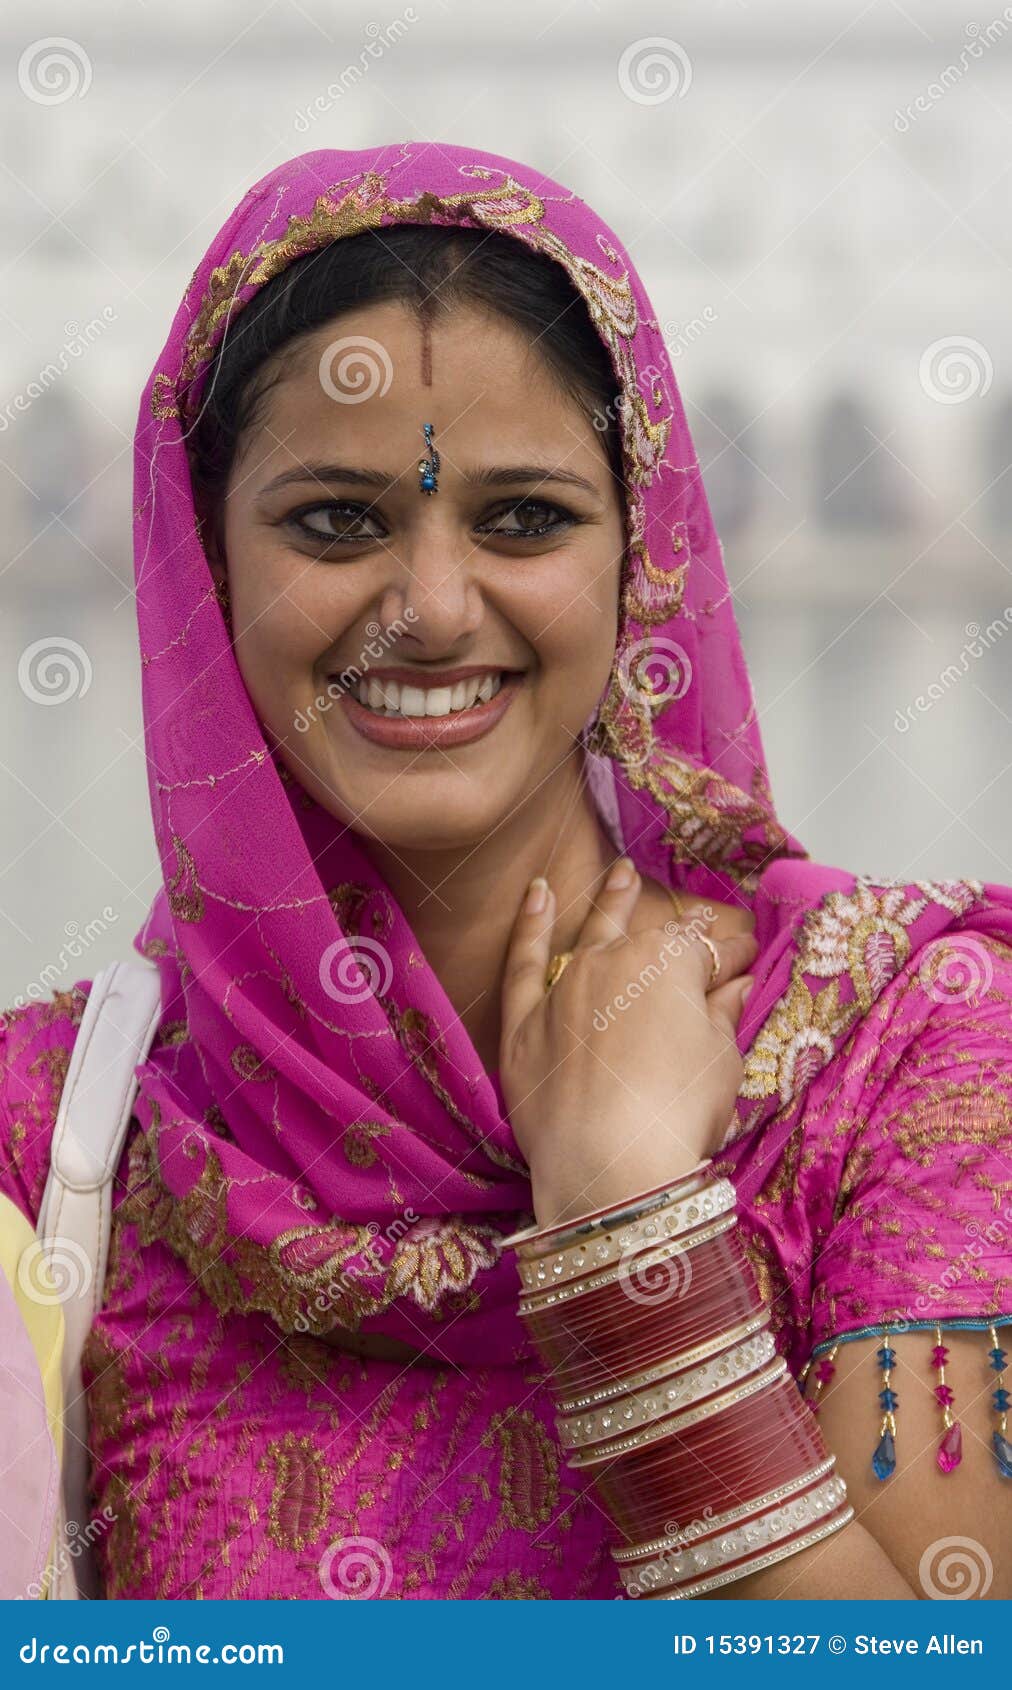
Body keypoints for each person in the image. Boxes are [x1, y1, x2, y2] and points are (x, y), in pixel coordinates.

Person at [2, 140, 1011, 1602]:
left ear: (638, 551)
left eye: (523, 517)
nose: (429, 605)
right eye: (337, 521)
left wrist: (624, 1215)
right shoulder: (59, 1143)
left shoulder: (907, 1053)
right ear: (205, 561)